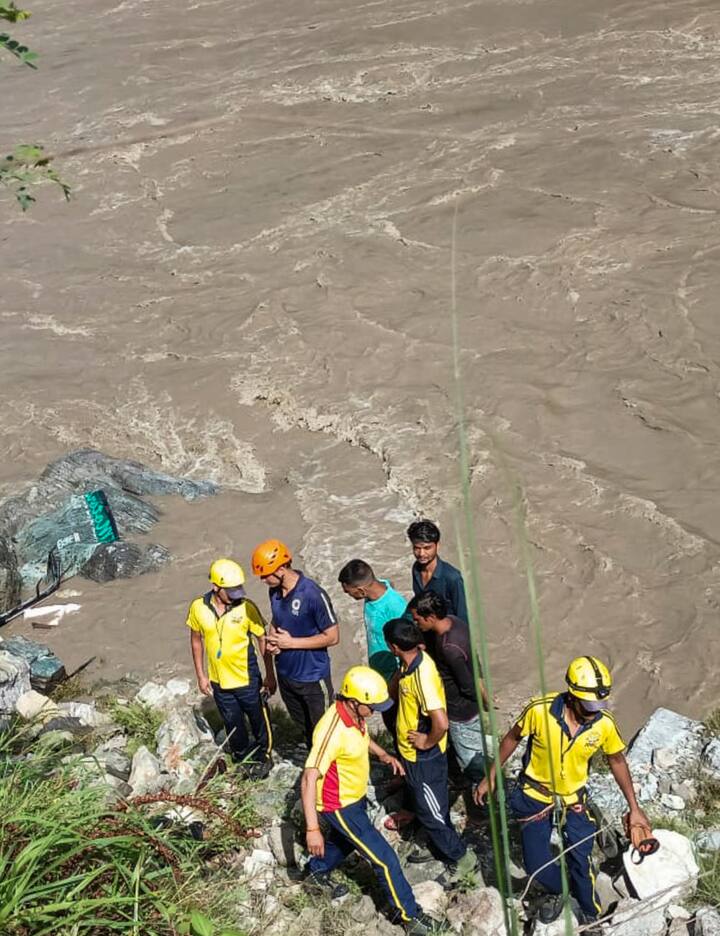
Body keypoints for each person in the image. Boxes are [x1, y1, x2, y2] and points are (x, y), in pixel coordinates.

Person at [474, 656, 652, 930]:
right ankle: (560, 888)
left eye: (599, 706)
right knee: (535, 864)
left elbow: (617, 760)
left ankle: (591, 916)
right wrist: (491, 775)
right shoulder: (539, 710)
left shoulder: (603, 723)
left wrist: (634, 808)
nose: (593, 713)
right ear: (571, 695)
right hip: (535, 796)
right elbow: (512, 737)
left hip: (574, 800)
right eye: (589, 707)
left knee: (581, 860)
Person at [301, 666, 435, 936]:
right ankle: (411, 917)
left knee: (346, 841)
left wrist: (382, 754)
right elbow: (308, 778)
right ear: (354, 701)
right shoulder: (331, 731)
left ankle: (315, 872)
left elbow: (361, 736)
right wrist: (312, 829)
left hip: (354, 795)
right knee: (385, 859)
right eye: (372, 706)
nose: (374, 711)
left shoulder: (353, 715)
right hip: (339, 805)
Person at [383, 617, 477, 882]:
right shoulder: (411, 663)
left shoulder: (422, 676)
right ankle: (437, 840)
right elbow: (393, 693)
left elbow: (441, 722)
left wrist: (426, 741)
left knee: (430, 812)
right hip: (411, 754)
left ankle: (462, 858)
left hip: (424, 757)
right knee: (427, 801)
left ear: (394, 647)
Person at [187, 558, 275, 778]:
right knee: (232, 720)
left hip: (247, 677)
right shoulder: (198, 608)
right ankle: (241, 755)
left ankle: (264, 753)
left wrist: (269, 675)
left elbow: (262, 638)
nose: (236, 595)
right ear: (216, 586)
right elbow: (196, 640)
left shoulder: (247, 607)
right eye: (231, 591)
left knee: (258, 718)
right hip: (219, 680)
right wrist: (201, 676)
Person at [252, 539, 339, 747]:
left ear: (281, 569)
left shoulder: (313, 595)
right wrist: (273, 641)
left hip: (312, 677)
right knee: (304, 726)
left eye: (265, 575)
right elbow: (277, 620)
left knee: (324, 731)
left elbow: (333, 636)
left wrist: (291, 643)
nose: (263, 580)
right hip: (286, 675)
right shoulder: (274, 592)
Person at [408, 591, 489, 783]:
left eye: (417, 620)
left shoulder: (449, 648)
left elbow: (467, 687)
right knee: (473, 748)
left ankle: (484, 791)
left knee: (472, 762)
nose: (416, 624)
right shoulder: (455, 621)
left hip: (460, 713)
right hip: (468, 709)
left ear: (431, 617)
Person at [337, 558, 406, 684]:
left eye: (348, 592)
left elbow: (408, 645)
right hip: (378, 671)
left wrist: (396, 680)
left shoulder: (394, 606)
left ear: (361, 591)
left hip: (393, 676)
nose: (348, 595)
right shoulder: (374, 590)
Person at [407, 520, 468, 623]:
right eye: (417, 548)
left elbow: (462, 616)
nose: (421, 554)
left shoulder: (452, 578)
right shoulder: (416, 569)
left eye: (427, 548)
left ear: (437, 545)